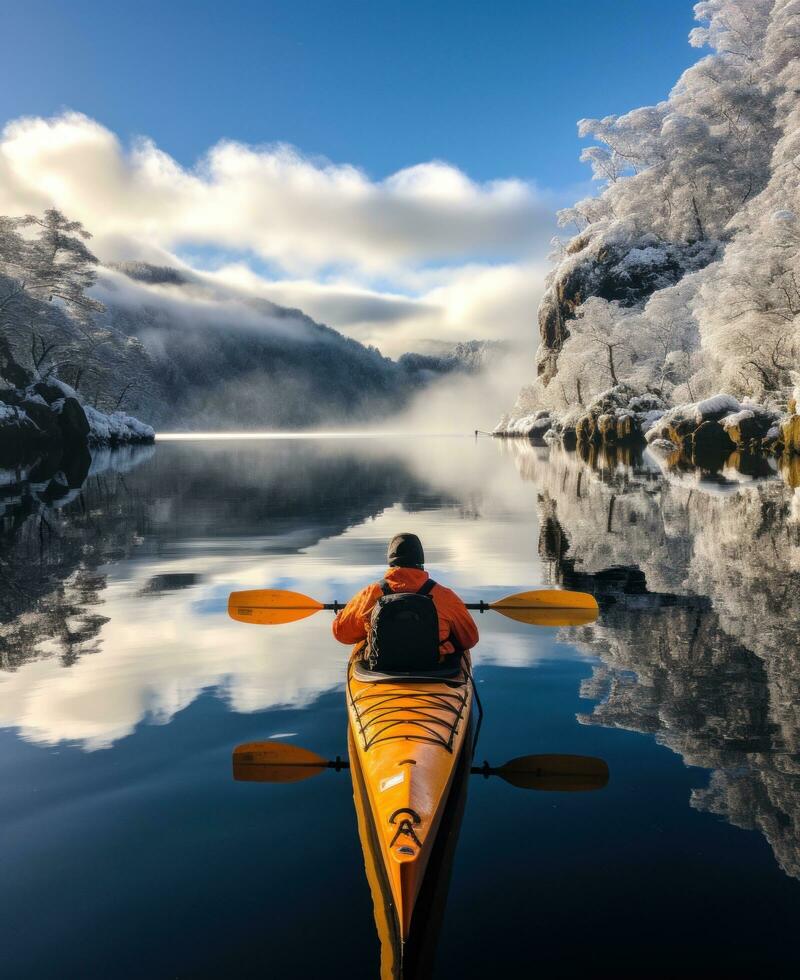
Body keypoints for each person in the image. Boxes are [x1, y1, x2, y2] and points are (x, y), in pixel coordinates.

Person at [332, 533, 479, 664]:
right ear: (421, 561)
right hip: (434, 666)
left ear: (391, 562)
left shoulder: (370, 594)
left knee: (364, 637)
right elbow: (470, 639)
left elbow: (341, 634)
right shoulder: (445, 596)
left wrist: (355, 619)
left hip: (381, 668)